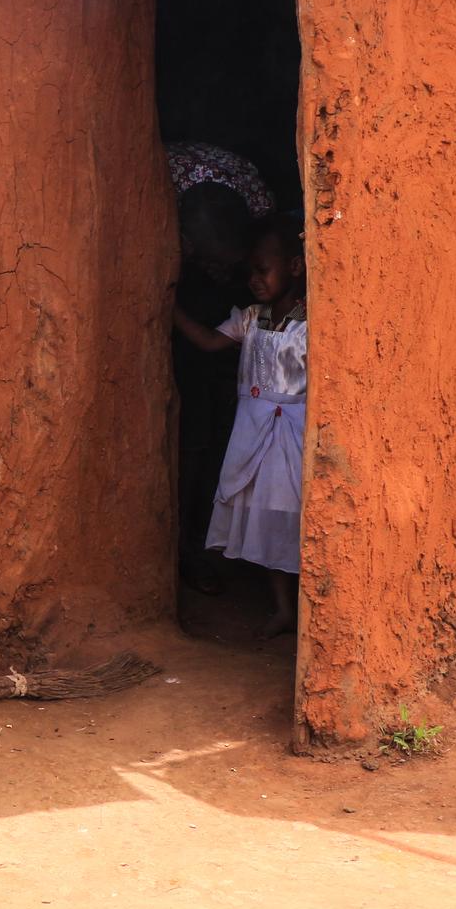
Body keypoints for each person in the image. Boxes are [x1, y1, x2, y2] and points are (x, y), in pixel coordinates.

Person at [172, 214, 307, 638]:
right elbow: (209, 341)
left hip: (294, 432)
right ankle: (284, 607)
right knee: (266, 519)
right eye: (250, 270)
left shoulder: (314, 323)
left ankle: (308, 612)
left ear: (295, 267)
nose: (254, 278)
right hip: (255, 433)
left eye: (263, 269)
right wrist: (168, 305)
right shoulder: (250, 317)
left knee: (294, 517)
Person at [167, 142, 272, 597]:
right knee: (192, 439)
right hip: (193, 311)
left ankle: (207, 544)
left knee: (212, 442)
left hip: (227, 324)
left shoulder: (254, 196)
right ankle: (187, 546)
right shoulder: (166, 189)